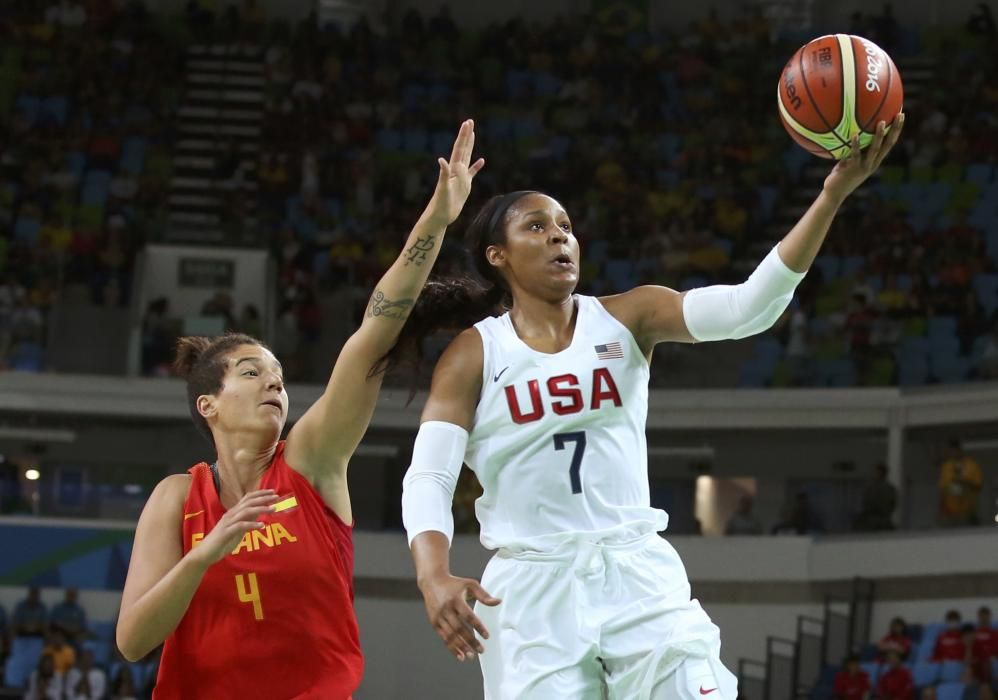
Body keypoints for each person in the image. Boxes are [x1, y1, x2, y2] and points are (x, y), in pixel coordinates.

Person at [401, 118, 904, 699]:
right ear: (498, 255)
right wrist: (432, 574)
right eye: (537, 228)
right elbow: (430, 474)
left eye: (566, 226)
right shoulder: (474, 353)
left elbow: (749, 308)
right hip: (532, 587)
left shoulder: (629, 314)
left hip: (636, 571)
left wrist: (830, 196)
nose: (560, 238)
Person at [115, 121, 485, 699]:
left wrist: (436, 222)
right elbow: (133, 641)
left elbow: (377, 329)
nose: (274, 384)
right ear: (208, 404)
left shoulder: (311, 462)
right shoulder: (176, 500)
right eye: (251, 372)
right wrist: (203, 556)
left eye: (280, 377)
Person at [937, 439, 982, 527]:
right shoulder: (946, 466)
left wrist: (964, 483)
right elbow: (942, 489)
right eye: (951, 450)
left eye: (955, 450)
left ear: (960, 450)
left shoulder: (972, 465)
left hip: (968, 511)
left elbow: (978, 486)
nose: (953, 453)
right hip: (949, 512)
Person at [853, 463, 897, 531]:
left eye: (876, 472)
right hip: (875, 519)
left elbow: (893, 504)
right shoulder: (871, 487)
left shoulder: (887, 488)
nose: (875, 474)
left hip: (878, 520)